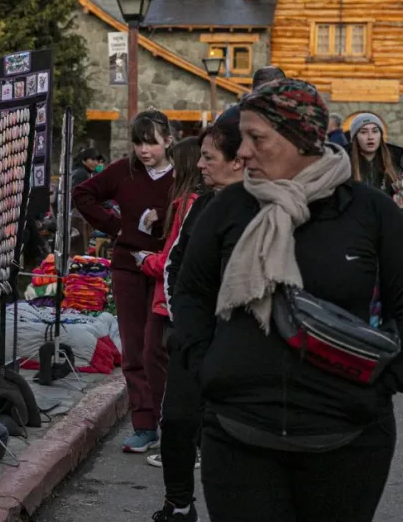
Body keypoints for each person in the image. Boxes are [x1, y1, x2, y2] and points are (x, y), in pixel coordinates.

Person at [172, 79, 403, 522]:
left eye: (257, 138)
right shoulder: (229, 208)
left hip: (346, 438)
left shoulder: (369, 212)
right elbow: (192, 293)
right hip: (238, 434)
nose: (243, 153)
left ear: (301, 138)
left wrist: (382, 383)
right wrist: (206, 368)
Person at [149, 109, 246, 522]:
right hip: (193, 337)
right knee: (176, 422)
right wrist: (184, 326)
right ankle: (178, 504)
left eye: (208, 157)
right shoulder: (202, 205)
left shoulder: (265, 208)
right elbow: (176, 266)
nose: (199, 164)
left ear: (237, 160)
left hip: (242, 344)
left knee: (228, 435)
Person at [74, 110, 174, 453]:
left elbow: (197, 206)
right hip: (129, 266)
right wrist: (117, 227)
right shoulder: (124, 170)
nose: (144, 150)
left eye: (151, 142)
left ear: (168, 142)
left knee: (157, 347)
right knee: (133, 347)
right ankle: (144, 425)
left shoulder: (182, 174)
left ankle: (170, 421)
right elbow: (83, 194)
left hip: (166, 268)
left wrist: (165, 217)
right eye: (138, 142)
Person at [141, 137, 202, 318]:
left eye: (176, 168)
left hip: (173, 300)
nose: (173, 175)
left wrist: (148, 261)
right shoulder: (185, 204)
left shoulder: (189, 205)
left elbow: (177, 260)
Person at [348, 113, 403, 217]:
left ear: (381, 135)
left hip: (387, 227)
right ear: (355, 137)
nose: (370, 137)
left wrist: (402, 211)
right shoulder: (344, 166)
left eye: (375, 131)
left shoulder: (396, 164)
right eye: (363, 132)